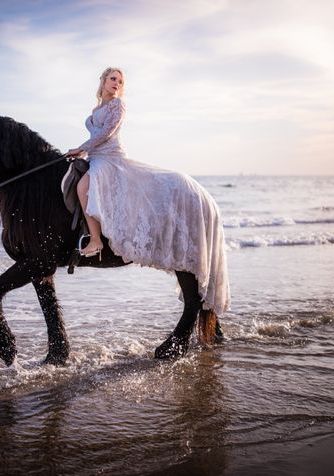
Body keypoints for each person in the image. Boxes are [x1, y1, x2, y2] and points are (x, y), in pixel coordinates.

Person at [67, 67, 230, 315]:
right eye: (113, 79)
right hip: (96, 157)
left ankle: (97, 240)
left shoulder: (118, 106)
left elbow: (108, 132)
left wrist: (81, 148)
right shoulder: (96, 109)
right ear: (102, 80)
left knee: (83, 186)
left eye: (120, 81)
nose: (116, 83)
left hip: (110, 159)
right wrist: (83, 152)